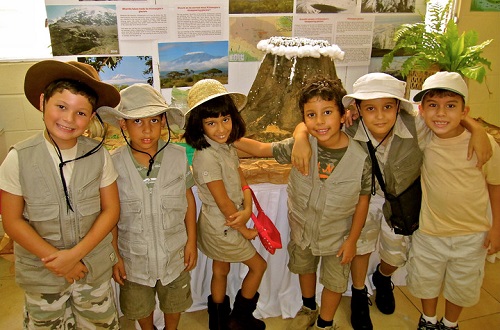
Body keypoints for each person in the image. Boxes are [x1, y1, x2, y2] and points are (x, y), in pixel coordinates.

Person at [291, 73, 493, 330]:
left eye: (388, 106)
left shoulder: (416, 125)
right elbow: (311, 126)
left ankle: (384, 277)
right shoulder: (350, 126)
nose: (380, 116)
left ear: (399, 106)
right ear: (357, 109)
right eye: (370, 108)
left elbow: (446, 117)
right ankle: (359, 292)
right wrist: (299, 137)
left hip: (400, 201)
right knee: (362, 246)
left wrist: (476, 128)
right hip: (364, 198)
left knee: (396, 252)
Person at [234, 75, 372, 330]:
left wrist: (352, 240)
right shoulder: (301, 146)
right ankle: (309, 306)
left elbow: (363, 202)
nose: (319, 121)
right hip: (303, 231)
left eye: (327, 112)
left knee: (334, 281)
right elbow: (260, 149)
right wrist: (221, 139)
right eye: (311, 115)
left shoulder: (361, 158)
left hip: (338, 236)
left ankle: (325, 323)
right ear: (303, 119)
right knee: (304, 267)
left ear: (343, 115)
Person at [0, 60, 121, 329]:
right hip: (42, 274)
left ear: (91, 117)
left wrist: (75, 255)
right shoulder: (17, 158)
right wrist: (60, 262)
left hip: (91, 269)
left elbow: (111, 210)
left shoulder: (99, 155)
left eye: (80, 113)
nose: (68, 119)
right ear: (43, 102)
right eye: (61, 106)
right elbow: (12, 221)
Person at [97, 83, 197, 330]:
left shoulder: (177, 156)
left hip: (174, 252)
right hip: (133, 258)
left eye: (153, 120)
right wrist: (115, 255)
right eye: (137, 122)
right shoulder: (113, 163)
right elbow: (109, 214)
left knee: (174, 301)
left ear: (163, 122)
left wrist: (192, 241)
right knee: (138, 304)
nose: (147, 130)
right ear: (123, 125)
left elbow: (188, 199)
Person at [407, 71, 500, 330]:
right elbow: (396, 115)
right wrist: (475, 124)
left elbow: (495, 185)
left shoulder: (484, 144)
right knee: (426, 280)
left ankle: (450, 323)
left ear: (464, 111)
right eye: (433, 106)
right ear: (422, 110)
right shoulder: (423, 137)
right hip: (430, 231)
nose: (441, 113)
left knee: (462, 285)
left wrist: (496, 227)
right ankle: (428, 319)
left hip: (472, 235)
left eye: (451, 106)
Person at [183, 79, 267, 330]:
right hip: (224, 224)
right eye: (211, 123)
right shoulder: (206, 156)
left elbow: (240, 175)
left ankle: (218, 321)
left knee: (220, 268)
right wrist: (245, 228)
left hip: (225, 221)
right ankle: (239, 319)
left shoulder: (225, 144)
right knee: (258, 266)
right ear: (199, 125)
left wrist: (249, 204)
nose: (221, 128)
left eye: (225, 119)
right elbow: (223, 203)